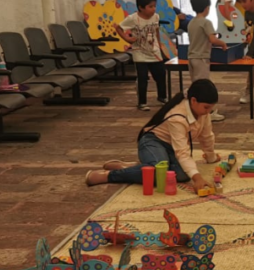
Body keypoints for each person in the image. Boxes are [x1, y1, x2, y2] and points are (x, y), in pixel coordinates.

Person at [84, 79, 220, 193]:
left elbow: (206, 135)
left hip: (171, 147)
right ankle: (109, 175)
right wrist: (198, 179)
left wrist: (211, 157)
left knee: (182, 174)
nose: (208, 112)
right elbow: (182, 152)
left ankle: (132, 167)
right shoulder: (177, 116)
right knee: (158, 173)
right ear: (193, 100)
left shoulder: (203, 113)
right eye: (206, 107)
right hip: (153, 142)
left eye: (211, 108)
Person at [117, 0, 167, 111]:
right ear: (141, 7)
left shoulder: (156, 17)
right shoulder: (133, 18)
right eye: (150, 6)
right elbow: (119, 28)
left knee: (161, 75)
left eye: (155, 6)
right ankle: (142, 102)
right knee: (142, 78)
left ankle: (162, 97)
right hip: (140, 52)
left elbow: (156, 32)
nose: (153, 9)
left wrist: (160, 46)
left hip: (154, 51)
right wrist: (127, 39)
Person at [187, 0, 228, 122]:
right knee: (203, 86)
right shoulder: (206, 22)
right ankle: (206, 112)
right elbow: (212, 39)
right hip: (201, 58)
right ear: (207, 8)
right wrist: (223, 44)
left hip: (191, 57)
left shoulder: (191, 22)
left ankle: (195, 109)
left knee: (196, 85)